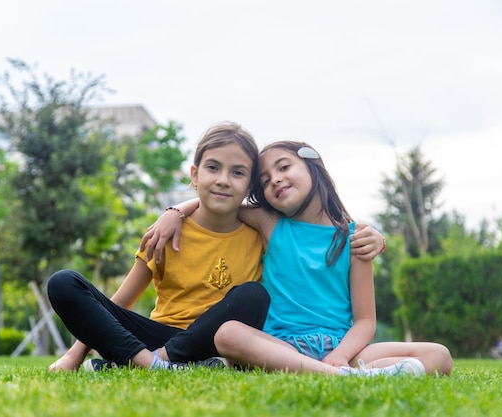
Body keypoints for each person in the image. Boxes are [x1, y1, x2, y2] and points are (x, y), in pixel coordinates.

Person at [48, 122, 385, 372]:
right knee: (63, 283)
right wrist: (75, 353)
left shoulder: (260, 232)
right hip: (157, 336)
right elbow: (118, 302)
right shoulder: (163, 234)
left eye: (238, 173)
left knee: (253, 294)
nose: (224, 179)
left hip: (217, 338)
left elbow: (317, 237)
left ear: (246, 188)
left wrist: (375, 236)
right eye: (213, 168)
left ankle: (145, 363)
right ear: (194, 174)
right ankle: (149, 363)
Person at [147, 141, 453, 376]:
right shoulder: (270, 224)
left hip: (344, 348)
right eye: (265, 180)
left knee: (439, 355)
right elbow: (219, 203)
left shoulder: (354, 238)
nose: (275, 180)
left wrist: (340, 356)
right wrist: (174, 212)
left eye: (283, 167)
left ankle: (339, 371)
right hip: (282, 347)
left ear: (313, 164)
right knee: (228, 334)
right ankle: (345, 377)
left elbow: (365, 321)